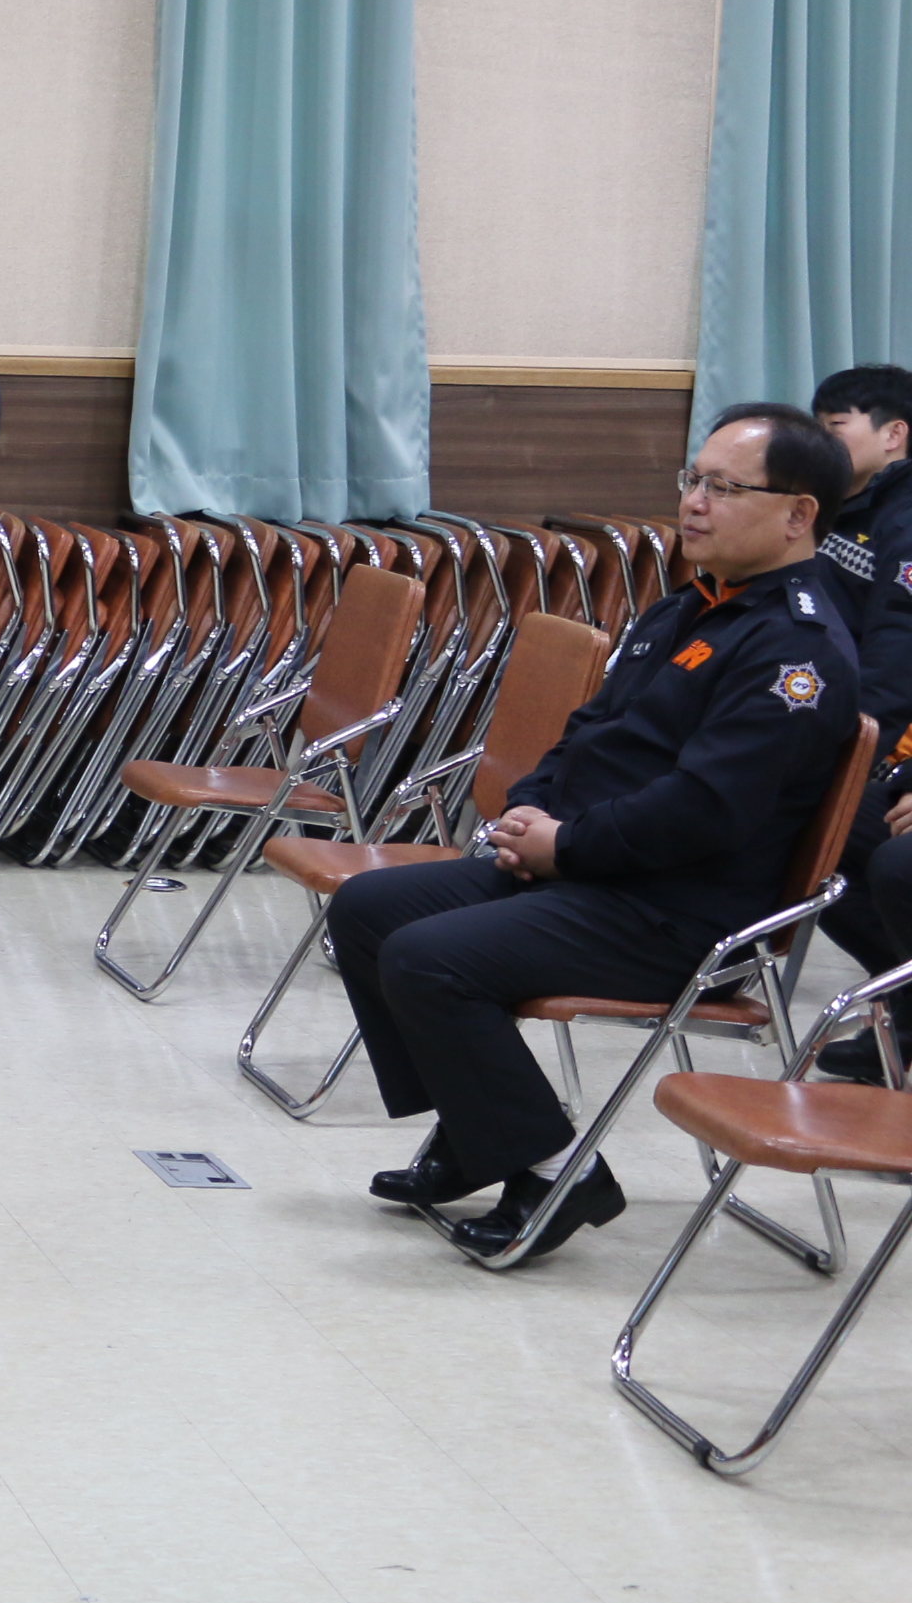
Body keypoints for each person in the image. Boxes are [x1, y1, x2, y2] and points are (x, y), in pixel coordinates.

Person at [328, 404, 860, 1265]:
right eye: (693, 480)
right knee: (367, 909)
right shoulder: (690, 608)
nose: (694, 503)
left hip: (677, 911)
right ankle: (479, 1128)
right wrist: (529, 811)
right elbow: (592, 734)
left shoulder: (796, 650)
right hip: (598, 868)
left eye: (725, 488)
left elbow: (704, 809)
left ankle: (556, 1172)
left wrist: (564, 846)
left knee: (429, 959)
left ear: (799, 514)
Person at [808, 365, 912, 1080]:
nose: (822, 444)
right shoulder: (846, 504)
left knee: (829, 819)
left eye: (836, 429)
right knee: (803, 820)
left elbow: (897, 660)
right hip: (843, 723)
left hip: (879, 735)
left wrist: (853, 755)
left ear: (894, 433)